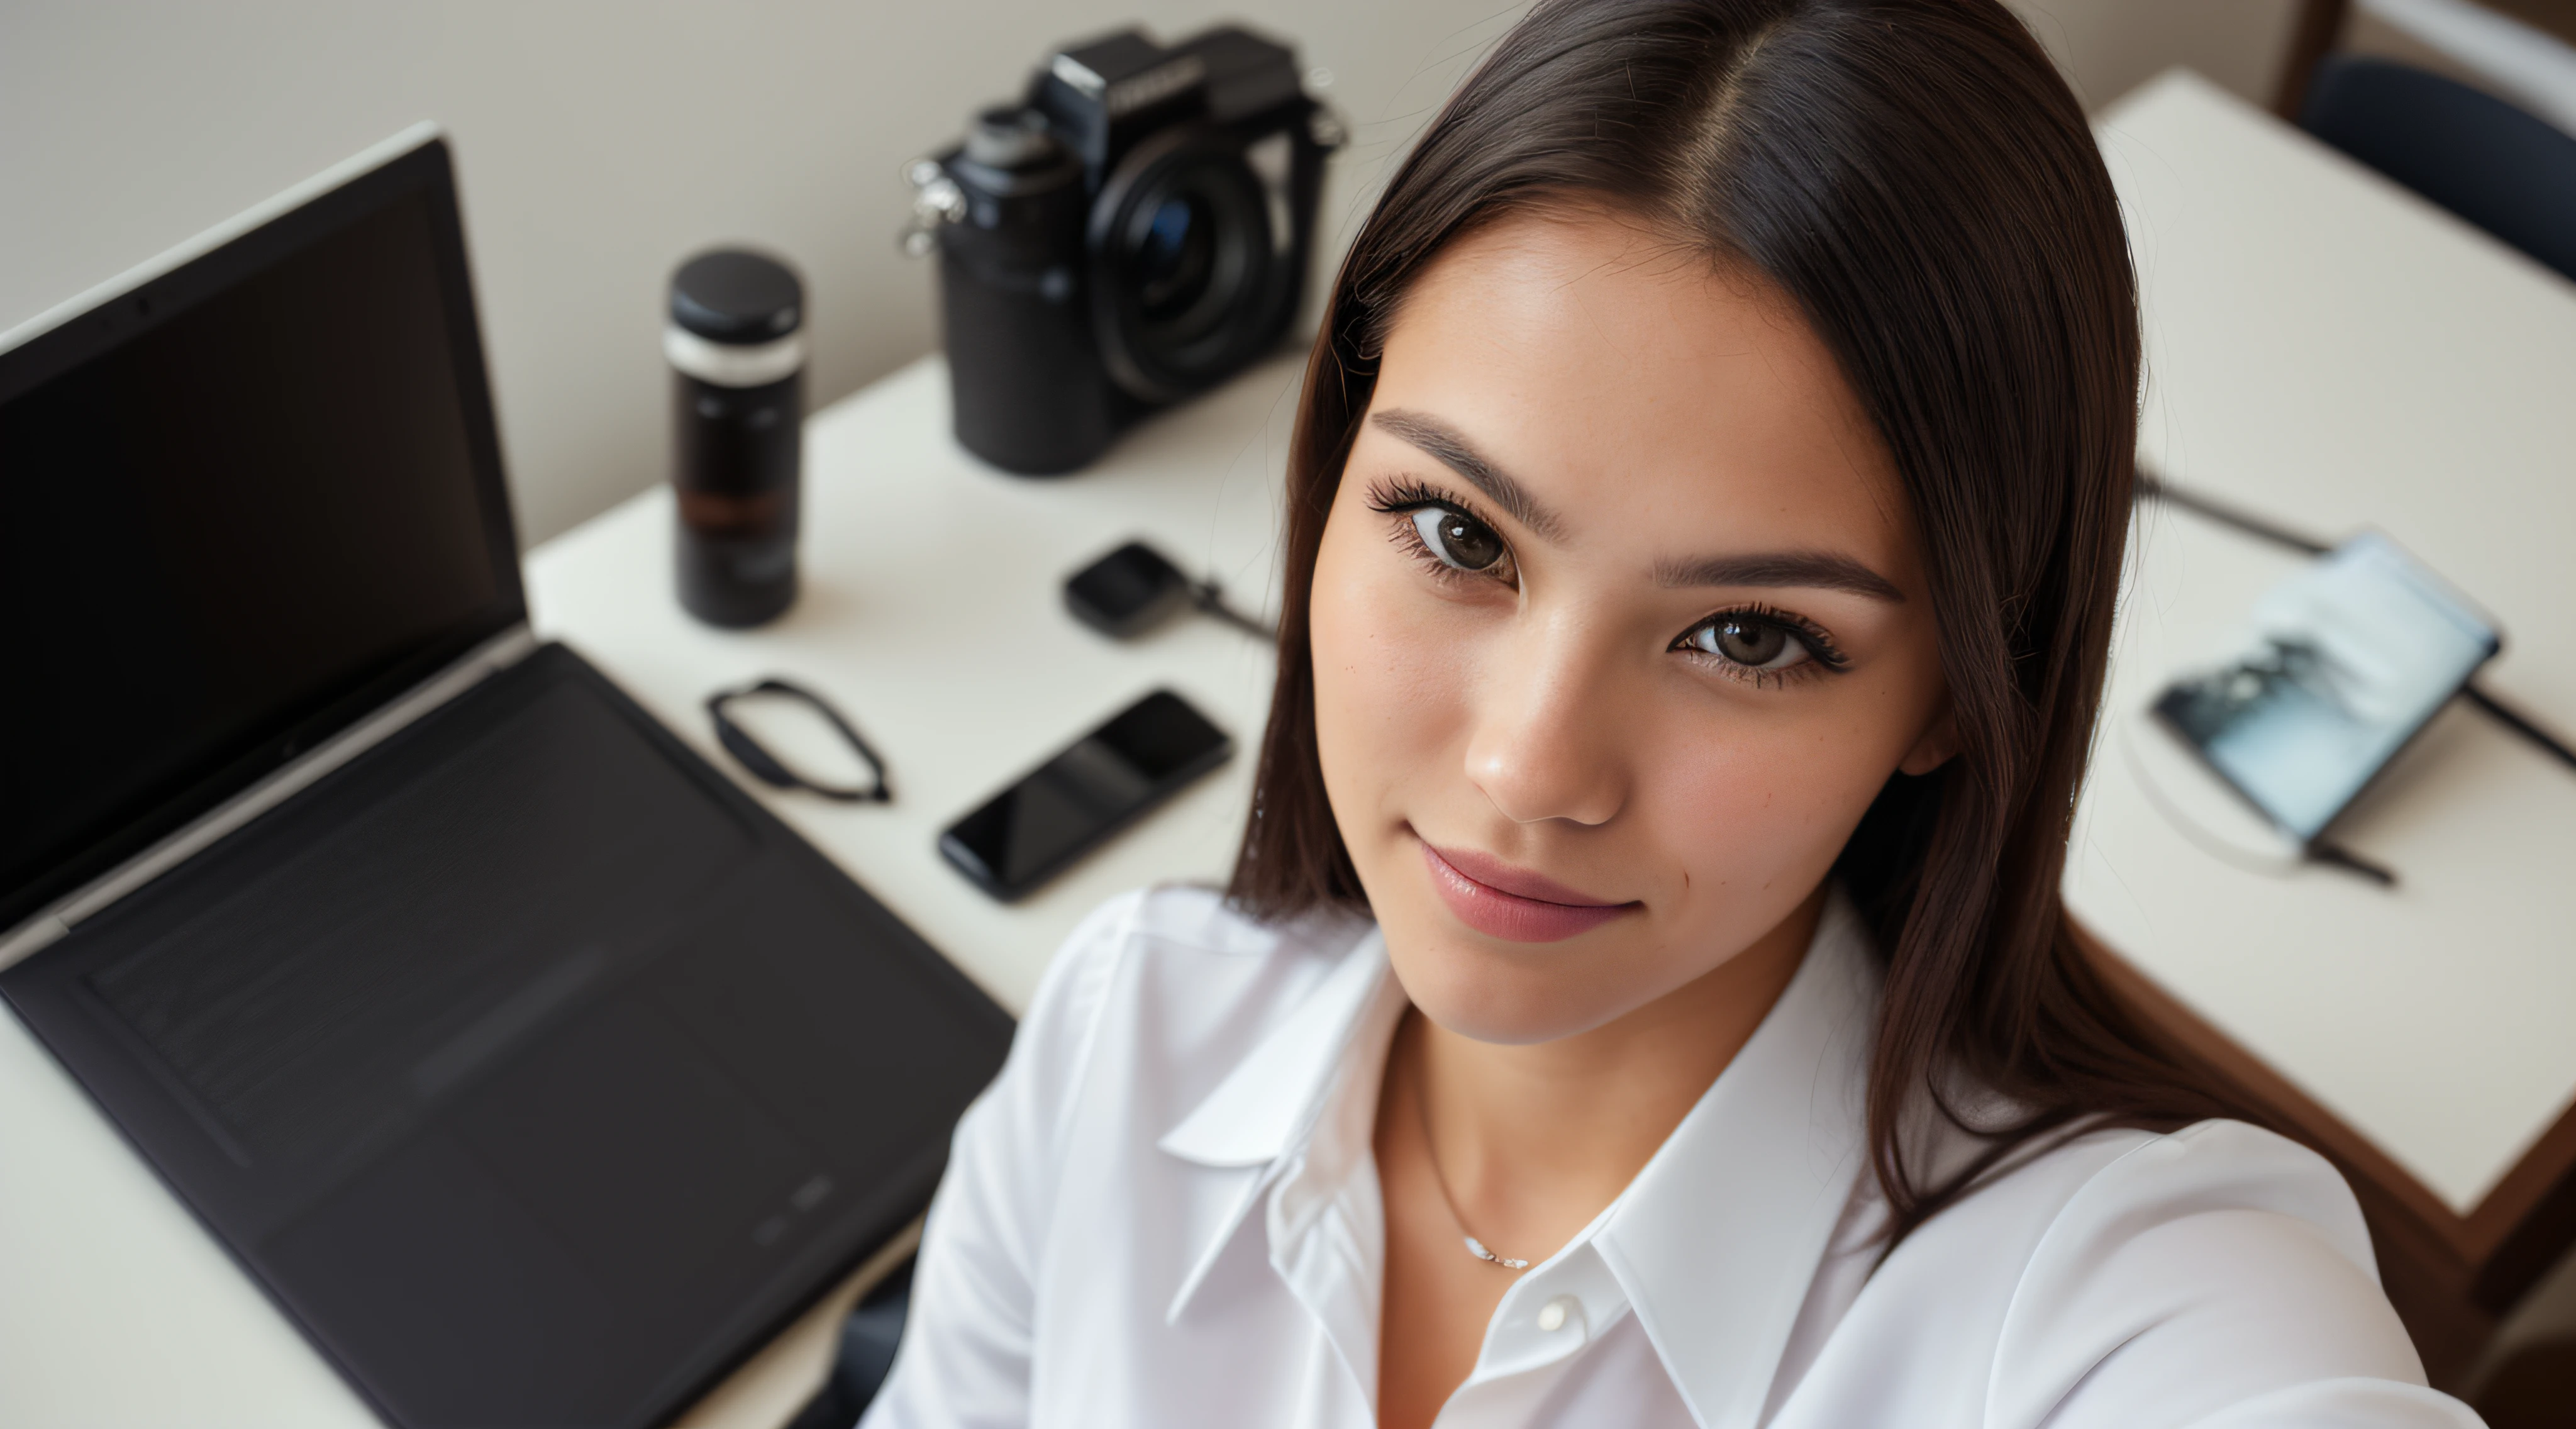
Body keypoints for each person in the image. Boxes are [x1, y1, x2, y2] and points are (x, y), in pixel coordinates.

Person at [863, 1, 2482, 1425]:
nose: (1527, 766)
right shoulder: (1125, 1033)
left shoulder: (2113, 1311)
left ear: (1958, 695)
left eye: (1748, 635)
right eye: (1455, 535)